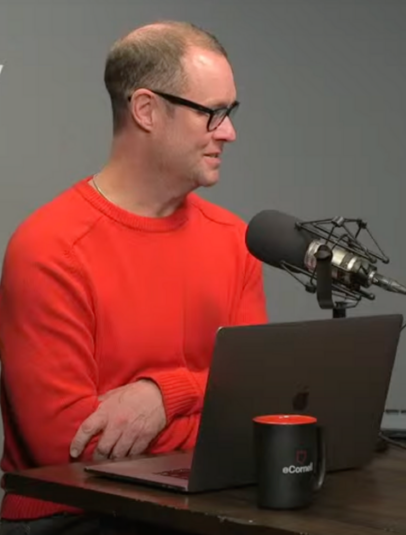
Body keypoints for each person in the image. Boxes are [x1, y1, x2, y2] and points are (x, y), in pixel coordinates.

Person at [0, 20, 268, 532]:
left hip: (208, 508)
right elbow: (70, 446)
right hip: (78, 517)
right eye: (213, 113)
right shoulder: (49, 249)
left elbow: (259, 398)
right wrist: (217, 419)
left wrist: (167, 396)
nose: (229, 132)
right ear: (146, 110)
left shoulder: (238, 241)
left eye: (230, 113)